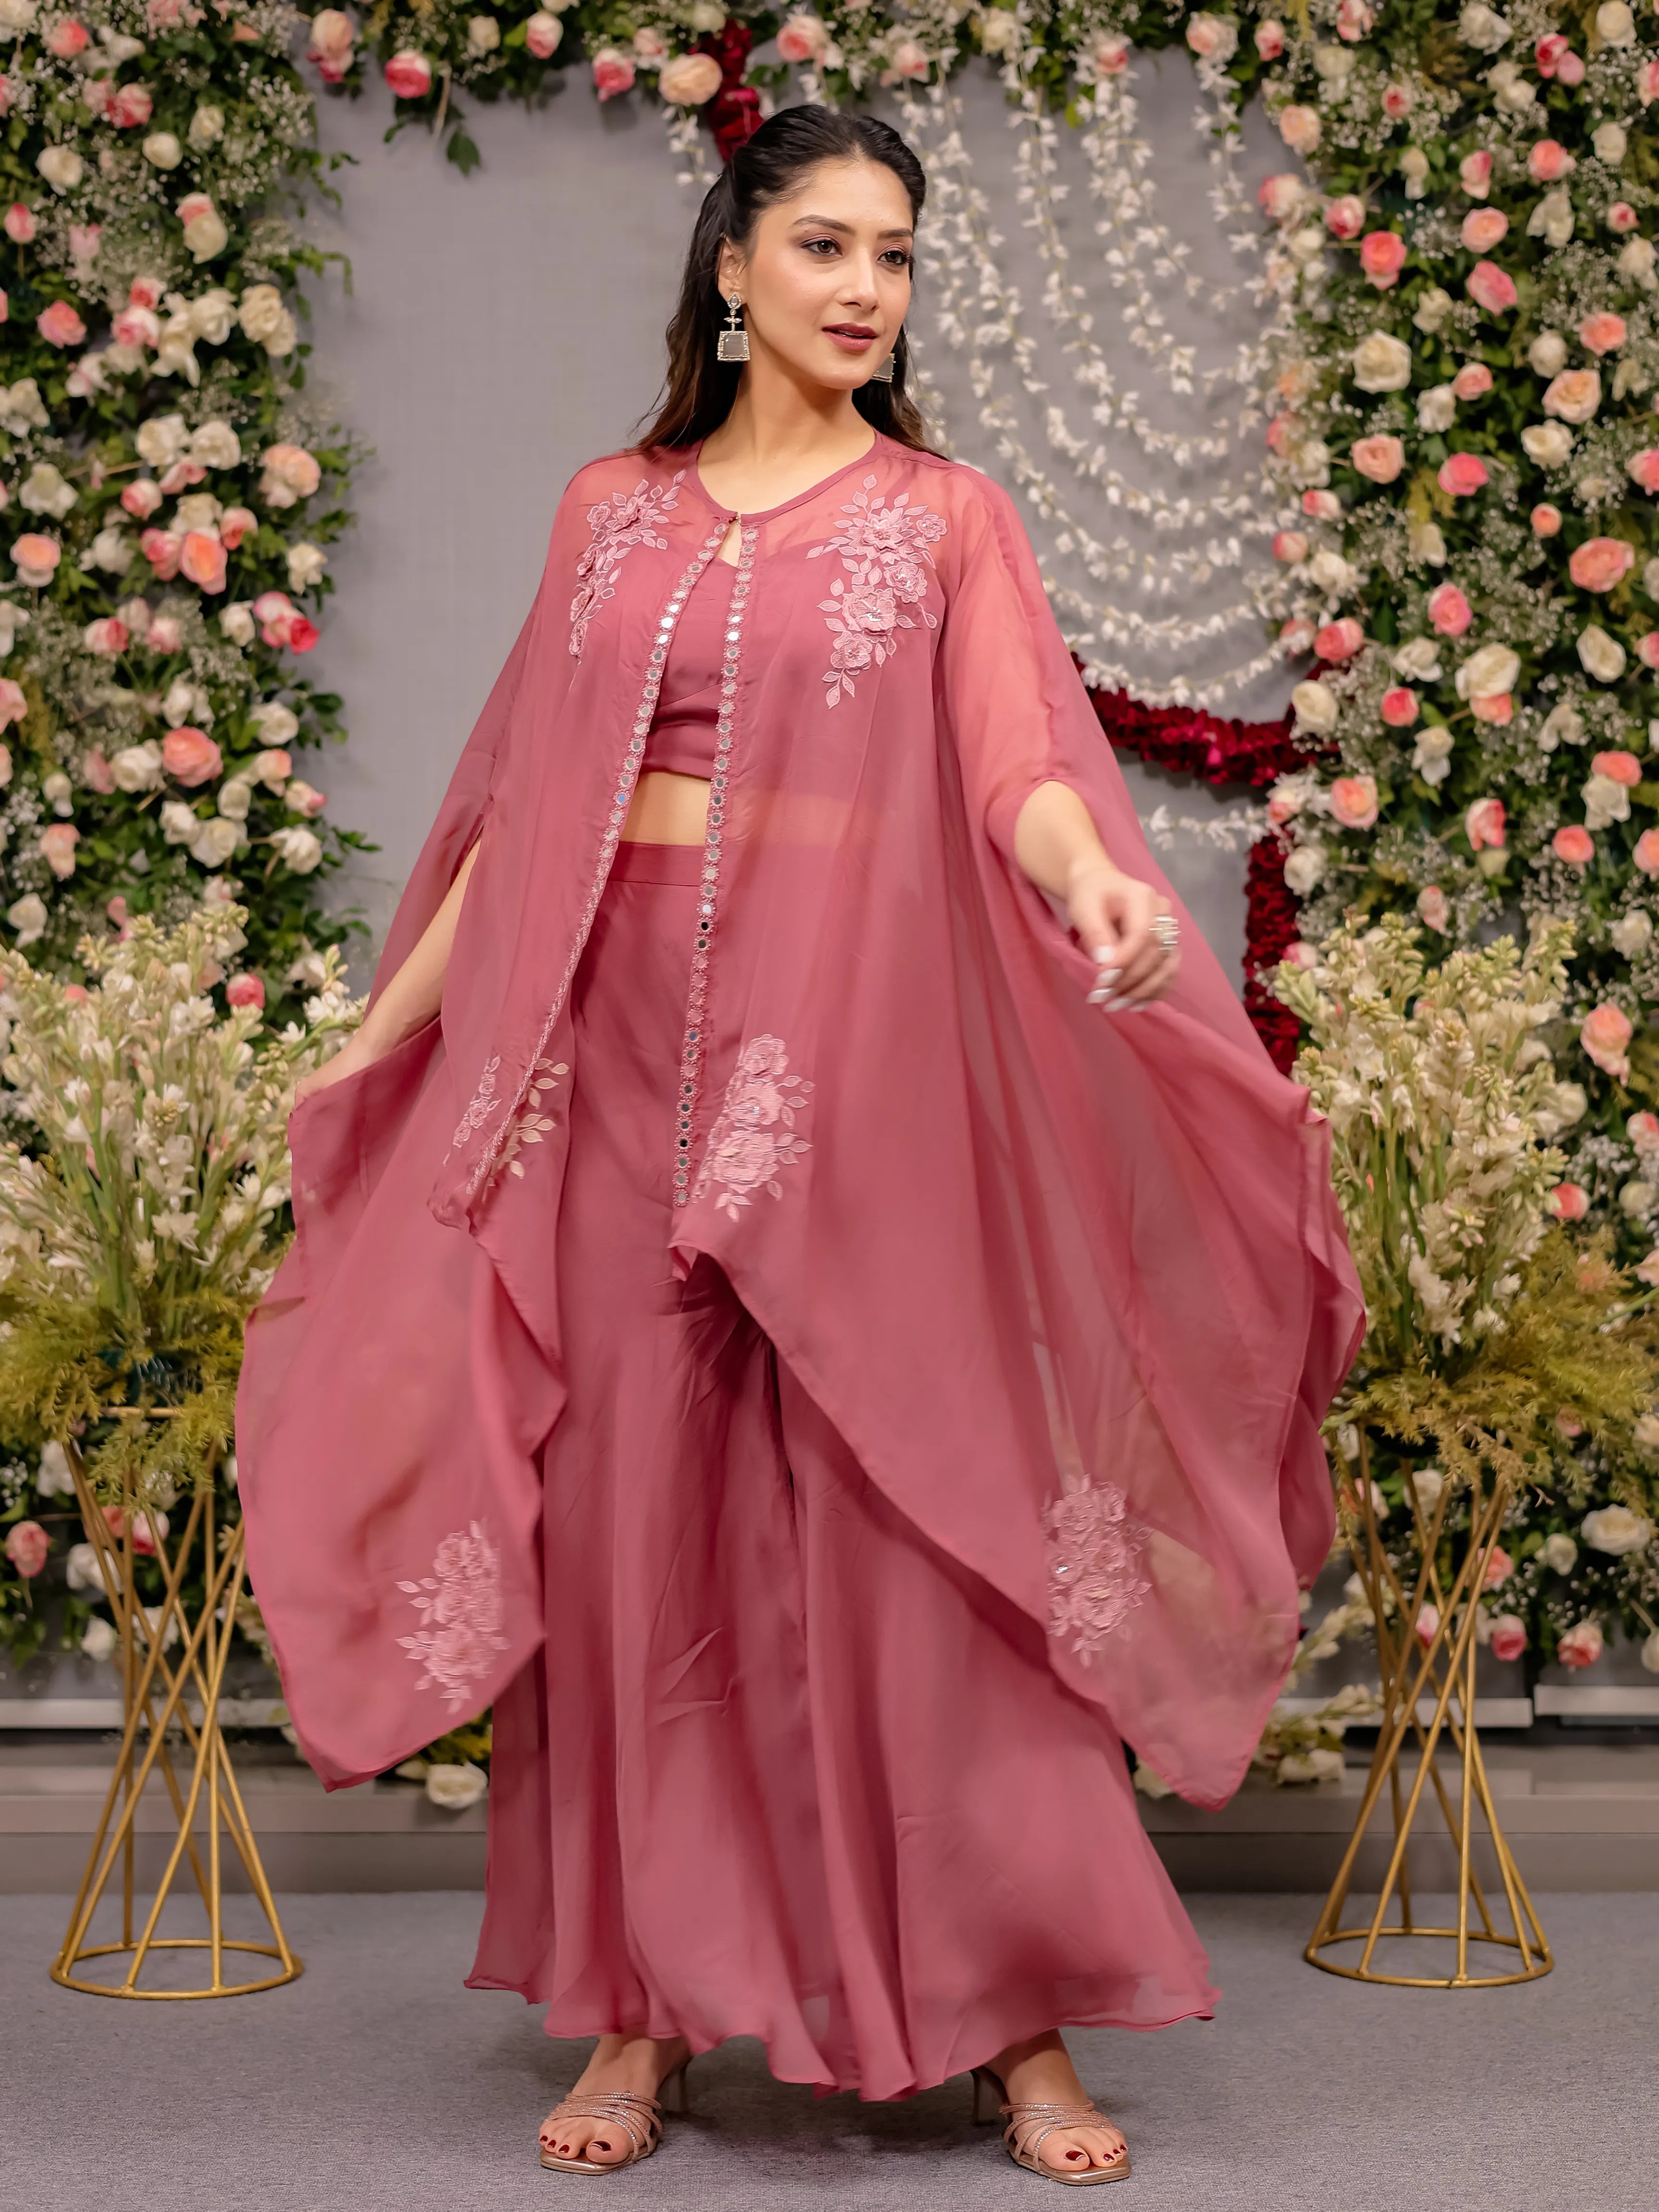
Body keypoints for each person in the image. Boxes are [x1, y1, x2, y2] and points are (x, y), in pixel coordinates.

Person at [237, 106, 1363, 2187]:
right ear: (731, 263)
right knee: (632, 1542)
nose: (866, 288)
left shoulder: (942, 519)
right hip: (603, 1082)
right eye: (827, 244)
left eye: (898, 255)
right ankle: (640, 2016)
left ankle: (1013, 2024)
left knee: (917, 1534)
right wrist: (373, 1046)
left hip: (851, 1080)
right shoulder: (608, 513)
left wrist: (1092, 887)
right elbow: (507, 820)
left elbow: (1017, 755)